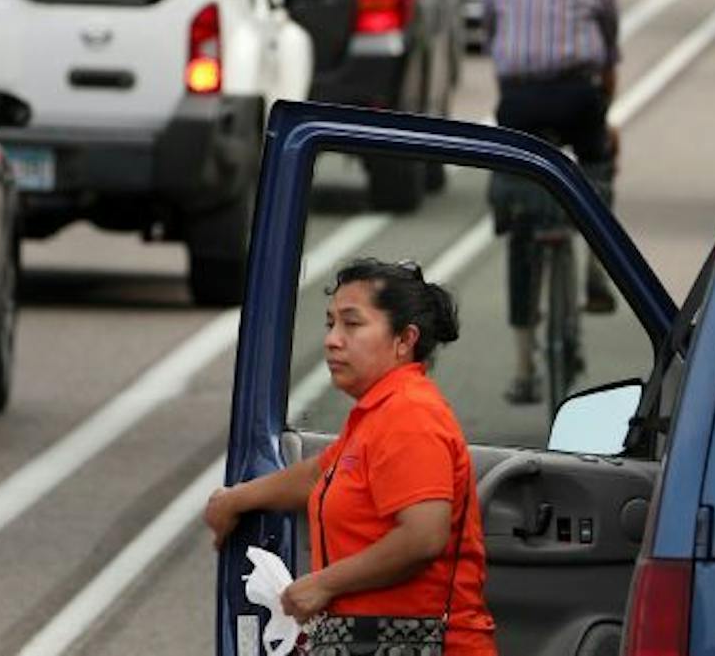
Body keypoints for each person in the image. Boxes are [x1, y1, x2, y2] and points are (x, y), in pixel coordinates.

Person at [203, 260, 497, 656]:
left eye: (352, 324)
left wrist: (324, 584)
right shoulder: (378, 413)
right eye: (330, 324)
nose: (332, 340)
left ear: (404, 339)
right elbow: (319, 475)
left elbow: (423, 536)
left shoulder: (411, 415)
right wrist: (235, 499)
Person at [482, 0, 620, 406]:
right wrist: (603, 109)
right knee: (600, 160)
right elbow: (608, 56)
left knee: (521, 224)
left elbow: (493, 39)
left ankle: (523, 368)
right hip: (578, 97)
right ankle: (597, 270)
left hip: (518, 102)